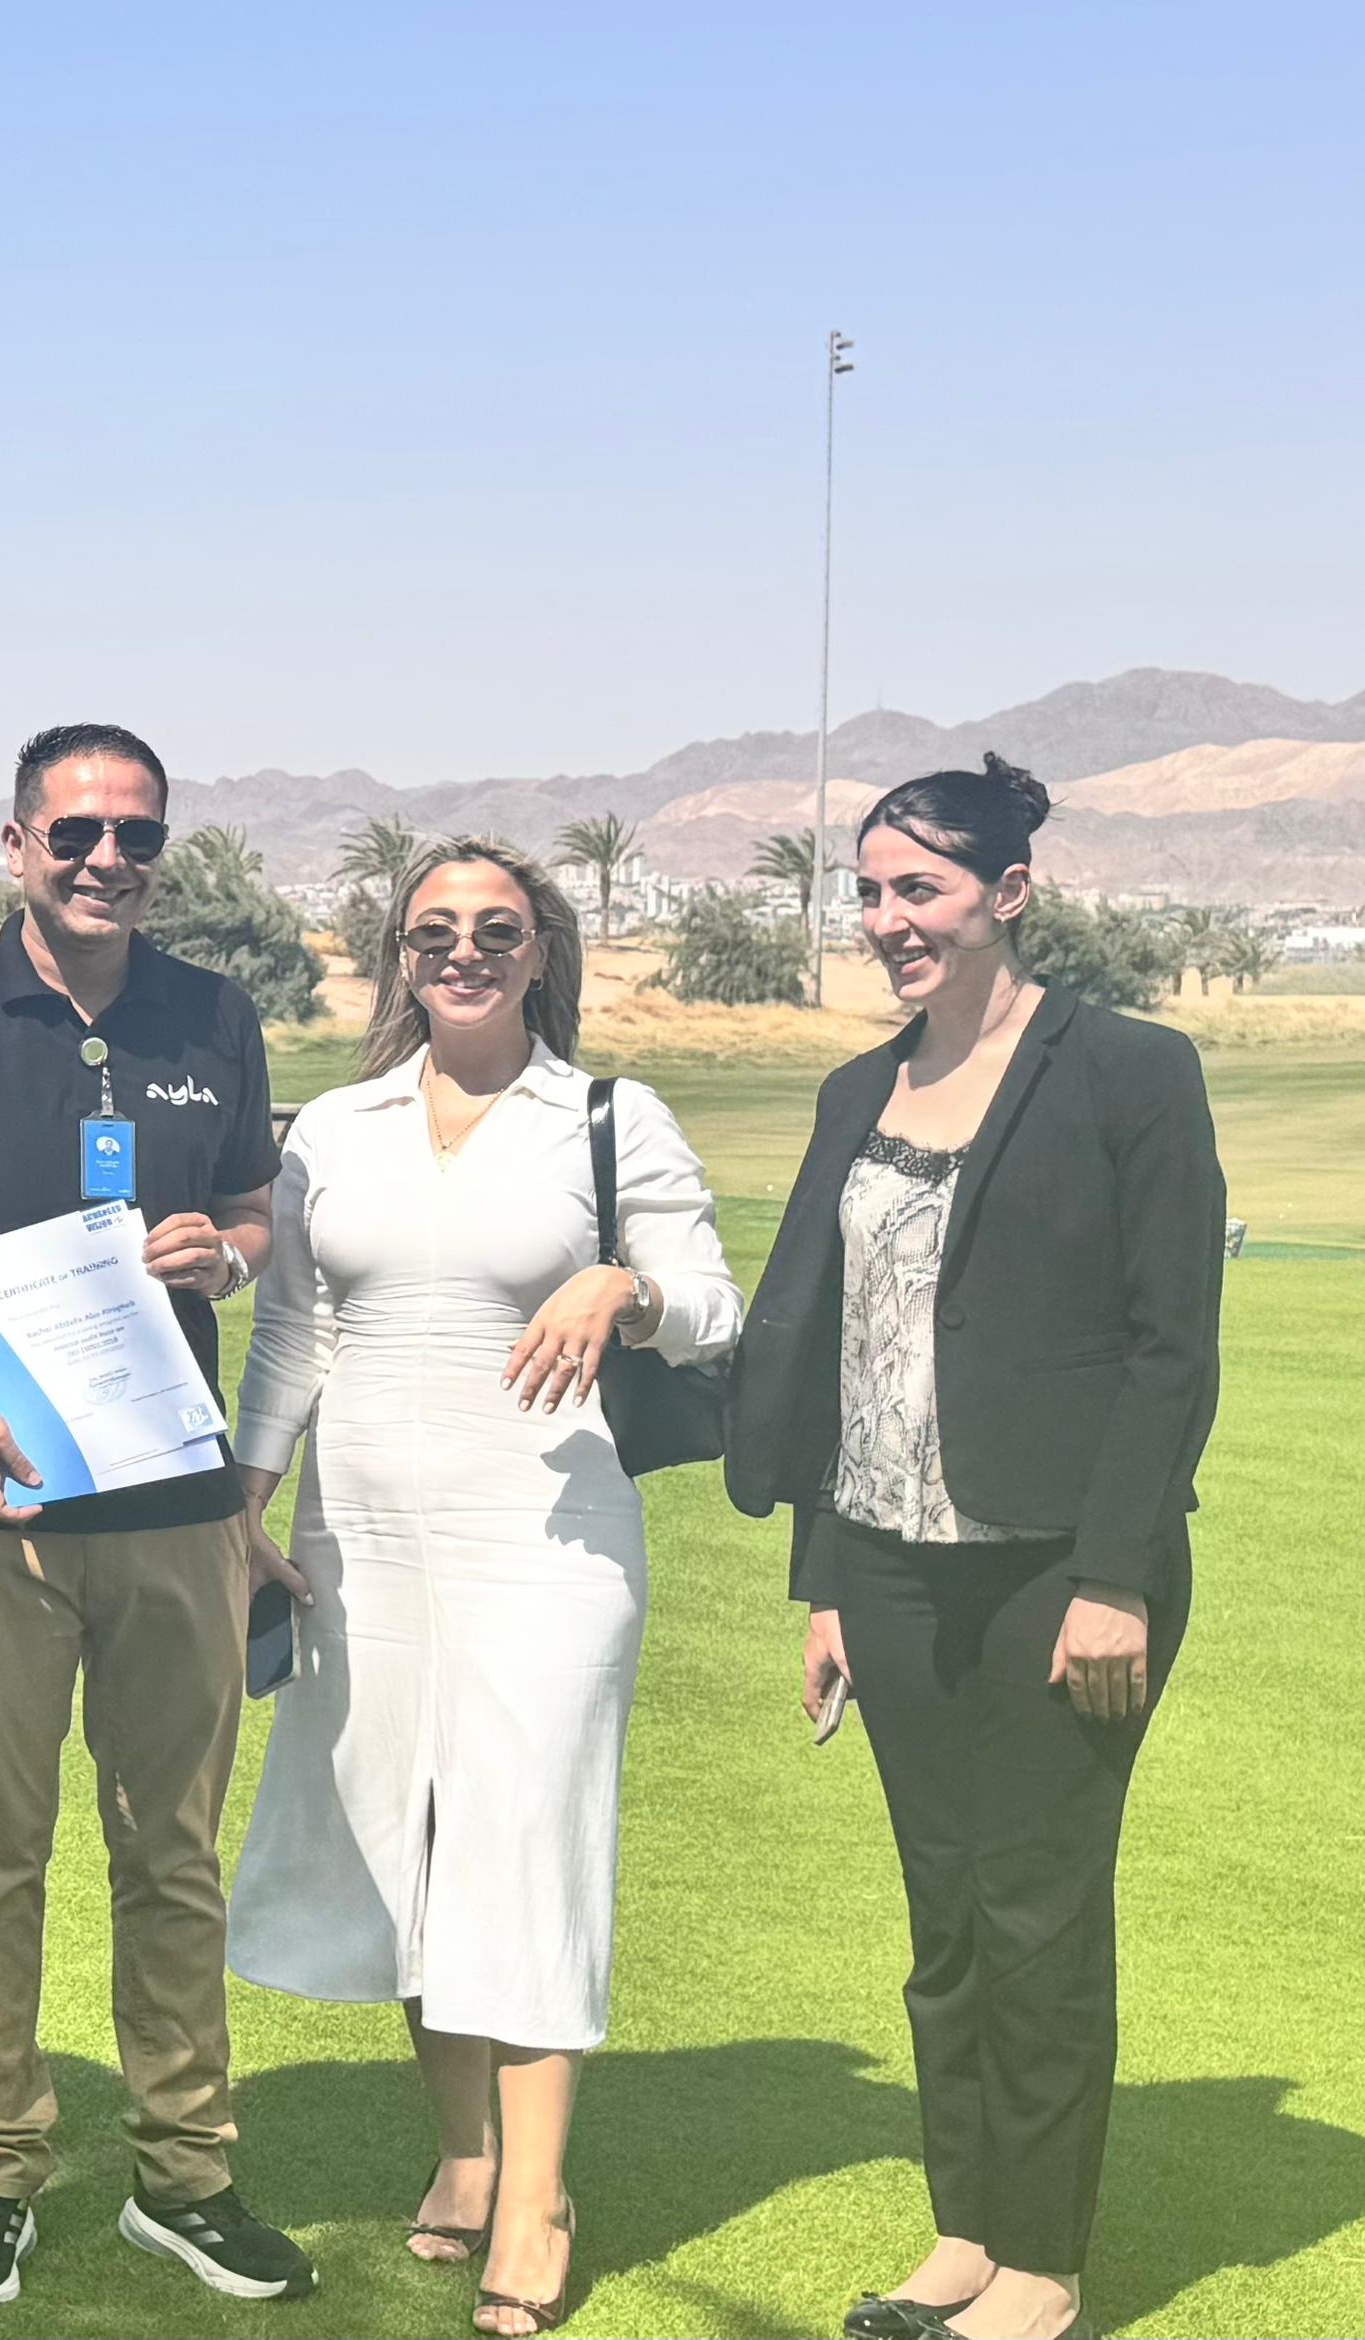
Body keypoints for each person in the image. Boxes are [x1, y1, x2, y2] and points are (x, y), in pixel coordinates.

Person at [726, 757, 1219, 2340]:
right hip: (886, 1563)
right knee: (946, 1917)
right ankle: (966, 2235)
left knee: (1039, 1913)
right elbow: (833, 1348)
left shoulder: (1129, 1071)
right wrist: (823, 1581)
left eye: (919, 889)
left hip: (1059, 1570)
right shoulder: (854, 1090)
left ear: (1008, 893)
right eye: (869, 892)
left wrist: (1115, 1578)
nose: (888, 920)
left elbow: (1171, 1346)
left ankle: (1044, 2271)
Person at [226, 841, 741, 2337]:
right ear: (400, 953)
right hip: (359, 1536)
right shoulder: (336, 1124)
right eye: (434, 929)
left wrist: (626, 1286)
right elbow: (293, 1334)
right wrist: (242, 1502)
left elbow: (716, 1309)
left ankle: (536, 2195)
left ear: (540, 952)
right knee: (406, 1835)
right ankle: (463, 2151)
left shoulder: (608, 1117)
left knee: (526, 1839)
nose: (464, 951)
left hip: (548, 1540)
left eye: (496, 930)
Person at [0, 722, 317, 2309]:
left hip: (172, 1500)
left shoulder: (213, 1014)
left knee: (169, 1851)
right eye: (77, 833)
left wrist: (228, 1258)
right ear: (18, 844)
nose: (108, 858)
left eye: (137, 834)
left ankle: (185, 2176)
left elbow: (251, 1209)